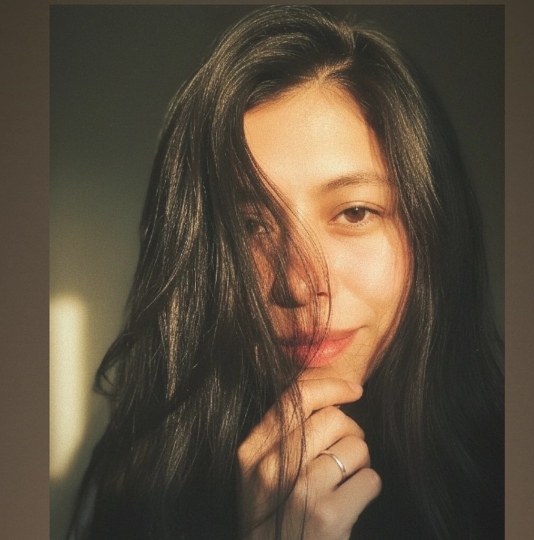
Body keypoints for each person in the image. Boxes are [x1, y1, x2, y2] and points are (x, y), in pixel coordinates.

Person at [68, 6, 503, 540]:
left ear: (434, 228)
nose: (297, 285)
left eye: (354, 212)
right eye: (251, 226)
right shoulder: (141, 495)